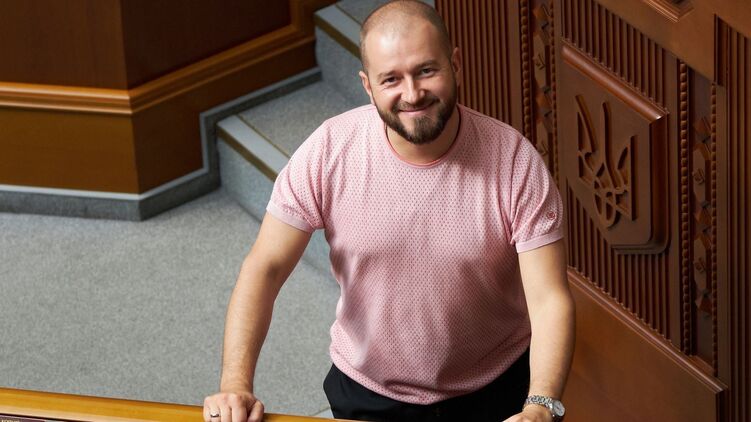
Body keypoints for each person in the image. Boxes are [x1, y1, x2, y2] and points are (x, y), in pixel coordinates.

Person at [203, 1, 575, 421]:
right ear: (368, 86)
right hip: (368, 391)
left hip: (494, 386)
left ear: (455, 65)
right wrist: (235, 384)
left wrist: (541, 404)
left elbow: (549, 299)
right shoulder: (329, 150)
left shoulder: (514, 162)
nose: (412, 94)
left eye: (426, 71)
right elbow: (265, 267)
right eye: (391, 79)